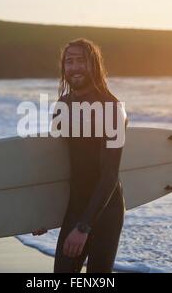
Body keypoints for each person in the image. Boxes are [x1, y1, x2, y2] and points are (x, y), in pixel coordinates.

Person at [32, 38, 128, 273]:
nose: (74, 68)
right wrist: (44, 214)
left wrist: (84, 227)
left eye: (81, 61)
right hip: (75, 207)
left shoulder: (112, 109)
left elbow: (109, 176)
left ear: (94, 64)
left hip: (105, 211)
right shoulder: (62, 105)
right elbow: (61, 165)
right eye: (69, 62)